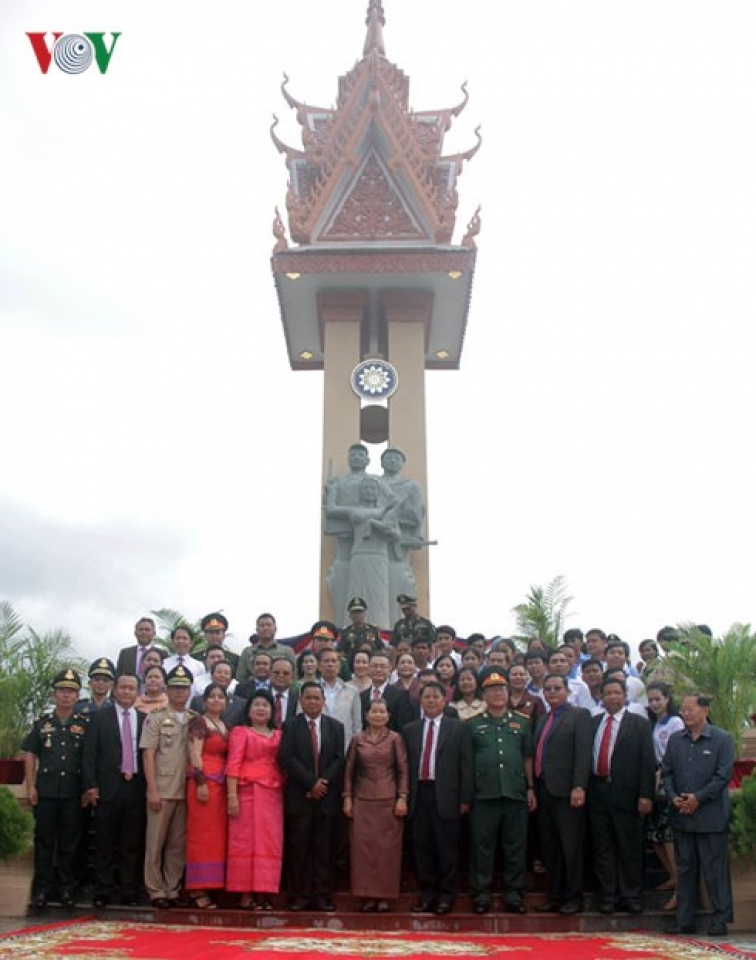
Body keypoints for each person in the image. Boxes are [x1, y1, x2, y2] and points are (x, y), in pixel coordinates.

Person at [662, 693, 735, 937]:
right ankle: (685, 920)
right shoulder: (675, 740)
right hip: (682, 815)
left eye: (690, 709)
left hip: (710, 816)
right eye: (683, 709)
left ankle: (720, 918)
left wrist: (698, 798)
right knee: (685, 870)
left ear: (704, 710)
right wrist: (673, 798)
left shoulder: (722, 739)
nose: (686, 713)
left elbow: (723, 776)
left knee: (714, 871)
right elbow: (667, 773)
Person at [468, 669, 536, 915]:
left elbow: (528, 757)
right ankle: (481, 894)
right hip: (483, 795)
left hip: (515, 793)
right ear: (484, 695)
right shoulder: (473, 724)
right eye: (492, 690)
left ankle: (514, 894)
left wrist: (530, 788)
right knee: (482, 847)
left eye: (501, 689)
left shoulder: (523, 722)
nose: (497, 694)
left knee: (515, 847)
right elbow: (468, 761)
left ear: (508, 693)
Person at [402, 681, 473, 915]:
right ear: (420, 701)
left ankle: (446, 895)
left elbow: (466, 765)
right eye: (427, 697)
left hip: (447, 795)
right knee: (422, 847)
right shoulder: (410, 730)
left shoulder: (458, 728)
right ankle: (427, 894)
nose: (431, 701)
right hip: (419, 794)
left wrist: (465, 798)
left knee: (447, 848)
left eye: (435, 697)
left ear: (444, 701)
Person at [588, 677, 655, 915]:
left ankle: (631, 895)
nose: (612, 697)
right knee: (603, 847)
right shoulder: (593, 722)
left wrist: (646, 794)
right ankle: (608, 896)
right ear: (601, 697)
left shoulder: (638, 724)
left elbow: (647, 762)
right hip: (598, 792)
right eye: (608, 693)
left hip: (628, 794)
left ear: (624, 696)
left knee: (629, 847)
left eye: (617, 693)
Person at [22, 669, 88, 910]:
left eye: (71, 692)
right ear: (54, 694)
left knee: (70, 844)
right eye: (62, 691)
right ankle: (41, 890)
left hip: (73, 793)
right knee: (44, 842)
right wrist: (31, 785)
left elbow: (89, 760)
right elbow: (29, 752)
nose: (66, 696)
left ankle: (66, 889)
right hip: (47, 791)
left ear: (77, 695)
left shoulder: (84, 725)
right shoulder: (43, 724)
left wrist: (87, 789)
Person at [278, 682, 345, 911]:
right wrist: (311, 782)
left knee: (324, 850)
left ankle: (323, 896)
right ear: (300, 701)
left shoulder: (336, 727)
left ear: (324, 701)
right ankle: (299, 895)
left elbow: (338, 759)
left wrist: (322, 783)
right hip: (300, 796)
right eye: (309, 698)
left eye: (317, 698)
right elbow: (287, 758)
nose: (313, 702)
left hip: (326, 798)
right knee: (299, 849)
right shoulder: (290, 726)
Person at [81, 672, 146, 908]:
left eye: (132, 688)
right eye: (123, 688)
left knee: (131, 844)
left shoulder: (145, 718)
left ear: (138, 692)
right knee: (105, 843)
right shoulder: (100, 717)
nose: (127, 692)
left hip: (136, 787)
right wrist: (90, 785)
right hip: (107, 787)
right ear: (114, 690)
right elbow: (89, 755)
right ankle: (103, 891)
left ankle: (128, 890)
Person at [533, 674, 593, 915]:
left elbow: (583, 753)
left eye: (557, 688)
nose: (552, 692)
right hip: (545, 790)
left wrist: (579, 786)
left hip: (568, 791)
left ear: (567, 691)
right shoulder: (543, 718)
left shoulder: (579, 716)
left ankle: (573, 897)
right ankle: (554, 895)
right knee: (551, 848)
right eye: (547, 689)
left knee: (570, 847)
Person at [343, 698, 409, 912]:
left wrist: (402, 797)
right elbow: (349, 771)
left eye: (382, 711)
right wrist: (347, 797)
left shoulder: (395, 739)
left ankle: (384, 897)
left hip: (389, 801)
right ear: (366, 715)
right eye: (374, 711)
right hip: (362, 800)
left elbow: (403, 770)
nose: (378, 715)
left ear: (388, 716)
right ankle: (366, 895)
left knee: (386, 851)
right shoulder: (357, 739)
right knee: (363, 851)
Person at [140, 664, 196, 909]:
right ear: (167, 689)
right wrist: (151, 788)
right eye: (174, 687)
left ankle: (172, 888)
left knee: (177, 844)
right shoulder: (156, 717)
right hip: (162, 788)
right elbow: (148, 754)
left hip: (187, 790)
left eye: (183, 688)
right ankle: (155, 890)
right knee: (155, 843)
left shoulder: (196, 719)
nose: (179, 692)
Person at [226, 690, 285, 909]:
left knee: (269, 842)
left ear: (272, 711)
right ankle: (245, 894)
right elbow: (233, 763)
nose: (261, 708)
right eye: (256, 705)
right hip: (246, 791)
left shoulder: (279, 735)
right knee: (244, 843)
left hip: (273, 793)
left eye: (265, 705)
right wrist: (232, 795)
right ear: (248, 710)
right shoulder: (241, 732)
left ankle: (264, 891)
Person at [185, 682, 228, 908]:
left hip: (220, 785)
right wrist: (200, 781)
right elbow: (194, 752)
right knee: (199, 836)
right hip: (203, 783)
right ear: (204, 701)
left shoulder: (223, 724)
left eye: (220, 697)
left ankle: (212, 884)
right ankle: (196, 889)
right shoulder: (199, 721)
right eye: (212, 696)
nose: (216, 700)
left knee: (214, 838)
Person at [645, 681, 685, 908]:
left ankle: (681, 887)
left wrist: (663, 774)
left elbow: (675, 753)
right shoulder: (653, 724)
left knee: (668, 837)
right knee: (655, 837)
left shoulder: (675, 722)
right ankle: (671, 876)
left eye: (658, 699)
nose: (654, 704)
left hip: (668, 781)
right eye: (650, 700)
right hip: (654, 781)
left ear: (667, 699)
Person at [360, 650, 412, 732]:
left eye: (382, 666)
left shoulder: (400, 695)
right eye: (374, 666)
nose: (378, 670)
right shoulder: (362, 696)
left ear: (390, 669)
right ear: (369, 669)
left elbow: (403, 725)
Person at [318, 648, 362, 744]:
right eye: (326, 661)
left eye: (334, 661)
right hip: (317, 744)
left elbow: (357, 725)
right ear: (319, 666)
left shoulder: (352, 691)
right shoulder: (310, 690)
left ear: (339, 665)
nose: (330, 664)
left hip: (345, 744)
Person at [236, 613, 296, 682]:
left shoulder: (287, 651)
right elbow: (240, 678)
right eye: (262, 625)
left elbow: (294, 678)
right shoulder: (247, 651)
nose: (265, 628)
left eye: (269, 625)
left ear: (275, 629)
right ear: (257, 629)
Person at [338, 597, 383, 670]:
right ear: (350, 615)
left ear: (365, 614)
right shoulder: (345, 632)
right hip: (352, 669)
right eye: (354, 613)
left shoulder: (373, 630)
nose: (357, 615)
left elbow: (381, 649)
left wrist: (371, 650)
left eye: (360, 612)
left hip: (372, 668)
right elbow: (340, 652)